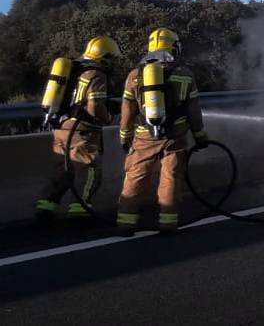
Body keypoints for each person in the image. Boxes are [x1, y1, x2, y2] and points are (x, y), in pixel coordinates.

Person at [116, 28, 208, 235]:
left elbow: (127, 111)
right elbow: (194, 111)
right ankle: (168, 222)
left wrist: (125, 136)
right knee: (171, 177)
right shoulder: (185, 75)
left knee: (136, 175)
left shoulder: (135, 75)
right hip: (175, 137)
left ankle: (125, 223)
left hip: (144, 137)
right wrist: (200, 136)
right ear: (173, 47)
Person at [34, 36, 123, 221]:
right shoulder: (96, 74)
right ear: (105, 57)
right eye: (112, 58)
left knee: (63, 170)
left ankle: (45, 206)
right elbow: (95, 105)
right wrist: (107, 117)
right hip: (82, 131)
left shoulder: (73, 68)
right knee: (89, 170)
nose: (113, 63)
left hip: (61, 127)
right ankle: (80, 210)